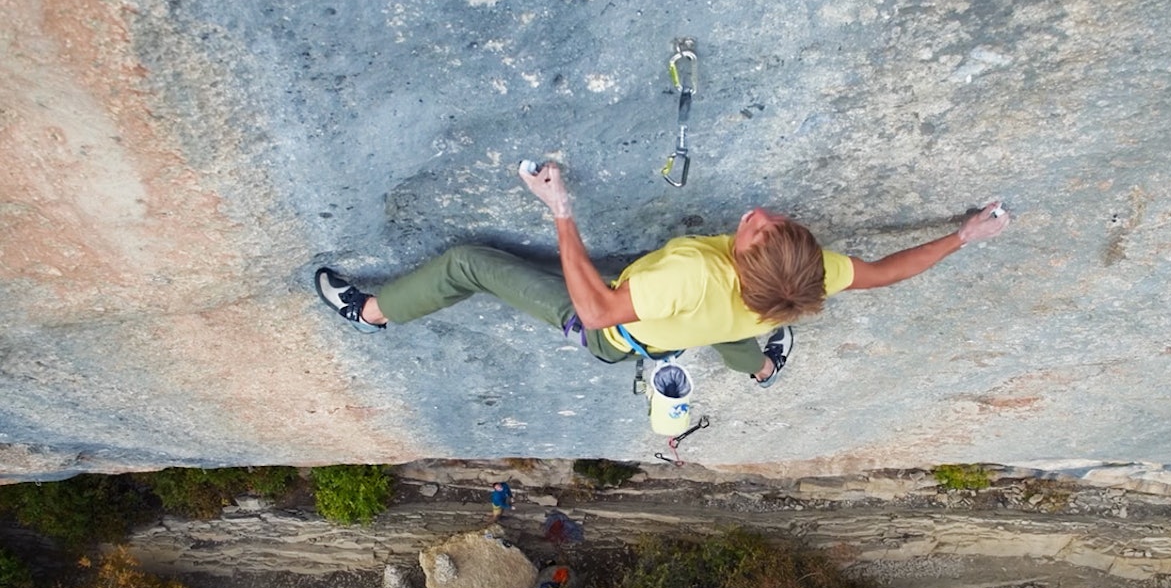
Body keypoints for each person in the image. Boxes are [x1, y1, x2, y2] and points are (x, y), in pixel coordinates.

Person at [315, 160, 1009, 387]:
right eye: (773, 224)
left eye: (758, 229)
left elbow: (596, 313)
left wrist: (561, 210)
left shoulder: (688, 273)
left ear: (742, 256)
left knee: (470, 262)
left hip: (616, 331)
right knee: (739, 337)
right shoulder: (804, 276)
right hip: (710, 323)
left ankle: (372, 314)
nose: (760, 213)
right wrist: (963, 236)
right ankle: (764, 369)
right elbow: (886, 273)